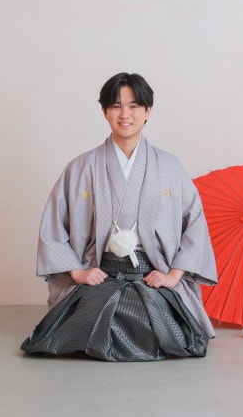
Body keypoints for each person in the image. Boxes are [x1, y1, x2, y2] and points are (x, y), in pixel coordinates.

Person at [21, 73, 218, 361]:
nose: (125, 114)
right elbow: (54, 227)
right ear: (104, 112)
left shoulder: (170, 166)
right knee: (73, 327)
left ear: (148, 111)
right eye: (116, 106)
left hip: (151, 275)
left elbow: (195, 225)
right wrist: (77, 272)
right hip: (100, 274)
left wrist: (173, 275)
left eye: (134, 106)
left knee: (164, 328)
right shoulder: (81, 167)